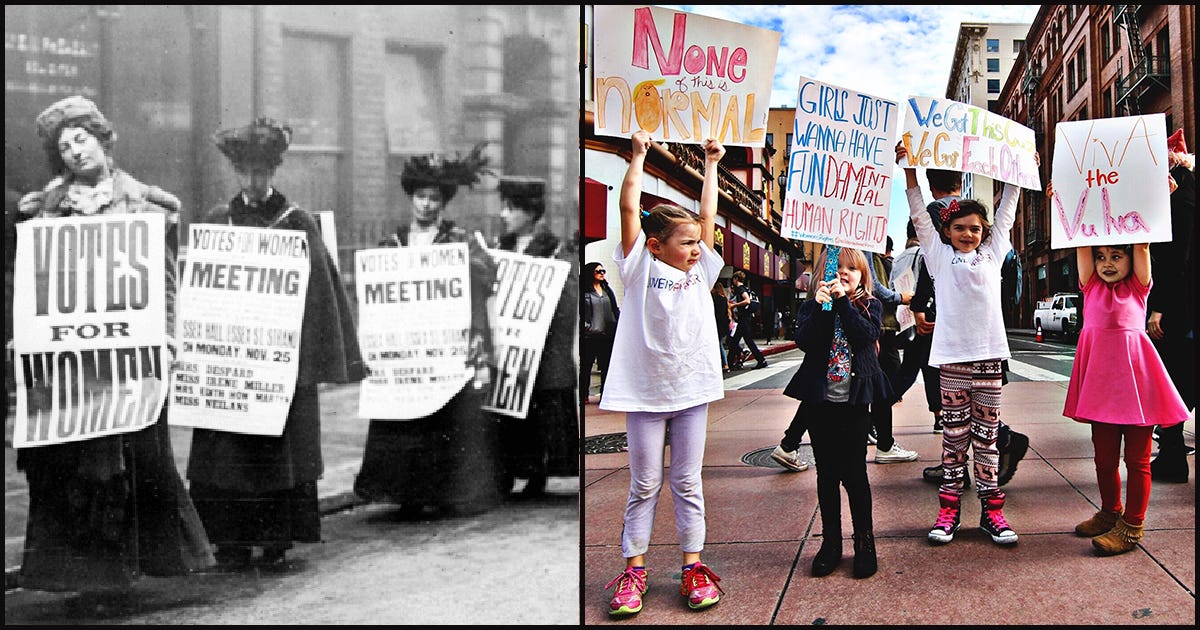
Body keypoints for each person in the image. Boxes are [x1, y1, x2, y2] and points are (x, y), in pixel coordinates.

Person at [14, 95, 215, 605]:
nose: (75, 152)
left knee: (128, 465)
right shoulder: (48, 209)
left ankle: (122, 576)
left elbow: (166, 284)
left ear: (102, 139)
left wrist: (169, 335)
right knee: (74, 467)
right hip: (72, 365)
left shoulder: (146, 206)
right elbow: (37, 285)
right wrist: (27, 329)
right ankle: (86, 577)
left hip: (130, 361)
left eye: (81, 139)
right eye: (64, 147)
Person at [187, 117, 366, 572]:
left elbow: (321, 298)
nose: (253, 182)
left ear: (273, 172)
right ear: (236, 173)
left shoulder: (297, 223)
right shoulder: (217, 221)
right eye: (245, 173)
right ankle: (230, 541)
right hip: (231, 363)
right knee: (228, 455)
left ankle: (273, 540)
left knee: (273, 455)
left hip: (279, 365)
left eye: (262, 173)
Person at [601, 130, 727, 615]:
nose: (697, 248)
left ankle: (693, 567)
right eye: (687, 242)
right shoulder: (637, 268)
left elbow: (709, 215)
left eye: (699, 242)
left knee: (688, 481)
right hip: (645, 394)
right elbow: (628, 209)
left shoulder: (701, 271)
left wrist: (712, 165)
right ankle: (634, 570)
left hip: (691, 390)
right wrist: (637, 157)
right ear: (655, 245)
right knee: (644, 484)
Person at [354, 144, 507, 516]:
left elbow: (489, 275)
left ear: (443, 202)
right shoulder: (392, 243)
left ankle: (440, 493)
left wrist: (469, 263)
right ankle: (404, 493)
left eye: (434, 198)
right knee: (404, 419)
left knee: (442, 418)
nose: (426, 205)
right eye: (421, 197)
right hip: (406, 348)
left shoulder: (459, 241)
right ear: (412, 199)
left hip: (443, 347)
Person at [896, 141, 1028, 546]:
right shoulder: (937, 256)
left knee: (986, 439)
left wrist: (1018, 172)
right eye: (959, 228)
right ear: (946, 232)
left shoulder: (993, 253)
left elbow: (1006, 211)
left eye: (975, 229)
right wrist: (909, 171)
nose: (968, 234)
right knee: (953, 438)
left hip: (988, 358)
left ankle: (992, 513)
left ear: (984, 233)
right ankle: (949, 511)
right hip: (951, 359)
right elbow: (919, 211)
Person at [1062, 240, 1188, 555]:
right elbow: (1081, 245)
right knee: (1104, 460)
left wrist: (1156, 198)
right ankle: (1109, 512)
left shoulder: (1138, 288)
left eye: (1117, 256)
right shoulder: (1090, 286)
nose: (1107, 263)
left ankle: (1133, 525)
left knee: (1138, 460)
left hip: (1137, 388)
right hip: (1101, 390)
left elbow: (1142, 247)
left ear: (1131, 260)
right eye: (1101, 256)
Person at [781, 245, 890, 579]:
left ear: (863, 276)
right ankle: (831, 542)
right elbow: (807, 341)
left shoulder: (870, 305)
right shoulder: (812, 307)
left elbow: (864, 336)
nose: (842, 273)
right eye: (835, 267)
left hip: (854, 404)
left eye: (851, 269)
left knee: (855, 475)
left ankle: (864, 541)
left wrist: (843, 302)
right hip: (820, 403)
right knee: (826, 474)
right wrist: (824, 306)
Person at [494, 175, 579, 498]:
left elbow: (564, 300)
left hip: (539, 349)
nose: (504, 215)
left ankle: (534, 472)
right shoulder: (501, 245)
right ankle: (505, 472)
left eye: (511, 209)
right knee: (505, 413)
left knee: (535, 414)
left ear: (529, 213)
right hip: (508, 348)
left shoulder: (553, 249)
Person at [1147, 129, 1196, 483]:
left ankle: (1173, 457)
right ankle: (1171, 454)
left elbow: (1174, 256)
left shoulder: (1178, 193)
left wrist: (1160, 306)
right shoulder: (1186, 188)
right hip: (1185, 303)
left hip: (1178, 305)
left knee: (1173, 379)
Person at [868, 249, 918, 463]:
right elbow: (872, 284)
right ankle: (882, 441)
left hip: (875, 323)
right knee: (886, 384)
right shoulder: (861, 244)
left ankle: (884, 442)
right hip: (877, 324)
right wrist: (900, 297)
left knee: (882, 384)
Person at [581, 261, 620, 403]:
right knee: (586, 366)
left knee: (606, 366)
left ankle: (605, 394)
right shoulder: (584, 291)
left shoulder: (607, 290)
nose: (602, 273)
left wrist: (618, 324)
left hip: (606, 334)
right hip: (589, 336)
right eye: (599, 271)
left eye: (603, 271)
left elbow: (614, 309)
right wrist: (585, 326)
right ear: (590, 273)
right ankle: (583, 394)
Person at [727, 270, 768, 369]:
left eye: (733, 279)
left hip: (744, 317)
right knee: (735, 340)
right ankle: (730, 363)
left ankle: (761, 360)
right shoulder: (745, 288)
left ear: (736, 279)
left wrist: (734, 305)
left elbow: (747, 300)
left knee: (747, 340)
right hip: (746, 317)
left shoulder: (741, 289)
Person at [712, 282, 733, 371]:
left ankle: (725, 363)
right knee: (719, 343)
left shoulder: (714, 299)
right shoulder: (724, 299)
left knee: (719, 344)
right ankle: (724, 363)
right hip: (723, 325)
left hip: (717, 324)